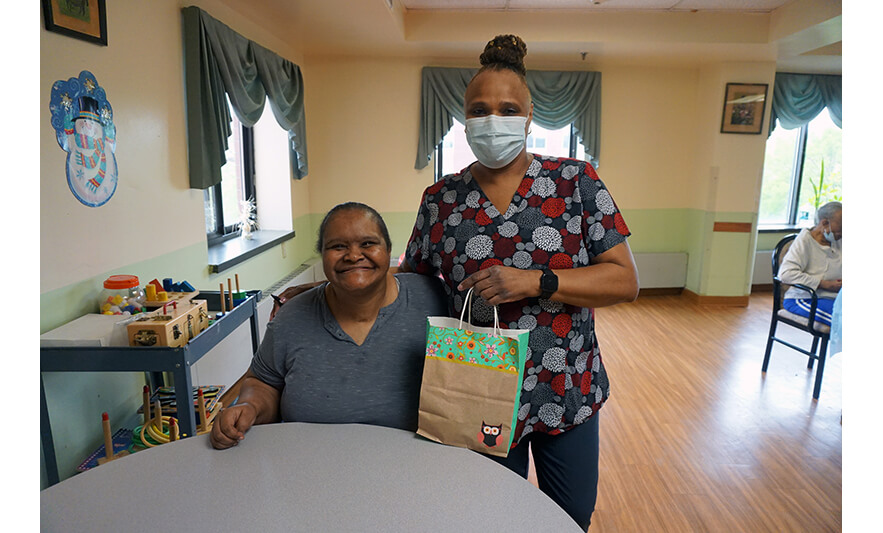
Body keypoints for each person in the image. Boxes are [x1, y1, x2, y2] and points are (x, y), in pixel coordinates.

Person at [399, 35, 639, 530]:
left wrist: (536, 282)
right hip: (475, 387)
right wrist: (327, 293)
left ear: (529, 117)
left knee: (570, 516)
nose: (493, 119)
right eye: (479, 109)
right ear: (464, 120)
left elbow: (624, 281)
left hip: (564, 386)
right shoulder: (441, 199)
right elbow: (411, 282)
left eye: (508, 108)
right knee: (490, 516)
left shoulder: (577, 183)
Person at [210, 202, 448, 449]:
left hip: (415, 468)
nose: (354, 255)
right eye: (338, 246)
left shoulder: (432, 301)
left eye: (368, 243)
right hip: (311, 468)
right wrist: (249, 406)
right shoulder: (291, 318)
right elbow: (263, 382)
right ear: (322, 255)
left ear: (388, 250)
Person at [779, 201, 842, 327]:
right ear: (824, 223)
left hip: (836, 297)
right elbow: (786, 274)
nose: (842, 233)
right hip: (806, 298)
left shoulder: (839, 240)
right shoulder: (805, 241)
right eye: (840, 228)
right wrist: (824, 284)